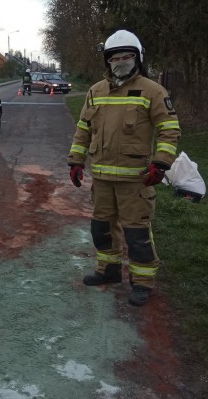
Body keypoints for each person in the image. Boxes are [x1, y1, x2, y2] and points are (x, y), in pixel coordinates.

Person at [67, 30, 181, 306]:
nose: (120, 61)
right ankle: (109, 271)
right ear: (108, 61)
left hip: (136, 181)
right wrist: (76, 161)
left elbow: (169, 130)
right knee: (101, 229)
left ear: (138, 58)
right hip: (103, 178)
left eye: (126, 56)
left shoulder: (153, 91)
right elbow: (83, 130)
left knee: (137, 235)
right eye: (115, 57)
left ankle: (142, 283)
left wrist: (161, 162)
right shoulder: (95, 91)